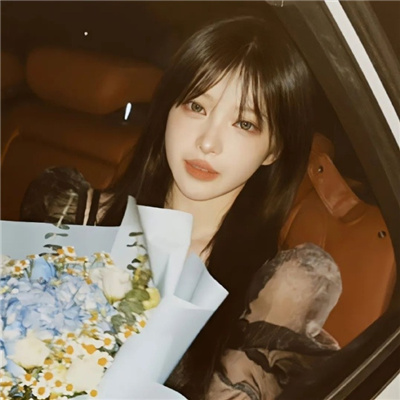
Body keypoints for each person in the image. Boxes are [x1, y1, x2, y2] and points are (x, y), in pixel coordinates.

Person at [19, 16, 342, 400]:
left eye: (244, 123)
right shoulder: (70, 218)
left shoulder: (269, 296)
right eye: (196, 106)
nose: (208, 142)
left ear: (274, 149)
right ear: (168, 110)